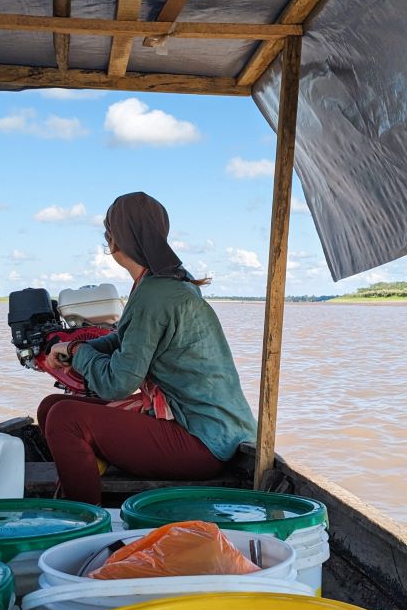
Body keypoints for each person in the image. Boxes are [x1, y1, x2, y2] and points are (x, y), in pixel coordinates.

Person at [38, 192, 257, 505]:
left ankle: (85, 525)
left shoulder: (155, 293)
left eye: (107, 234)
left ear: (116, 241)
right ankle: (84, 490)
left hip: (203, 439)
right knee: (51, 408)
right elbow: (125, 339)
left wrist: (77, 354)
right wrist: (75, 345)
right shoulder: (162, 283)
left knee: (65, 419)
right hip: (211, 430)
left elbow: (118, 384)